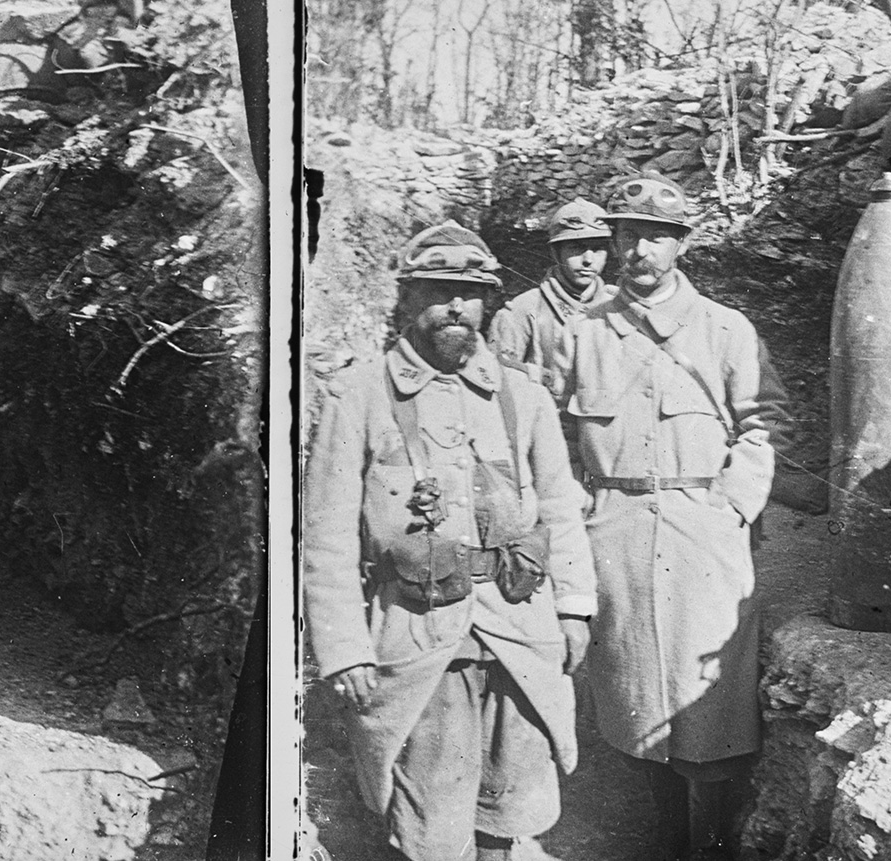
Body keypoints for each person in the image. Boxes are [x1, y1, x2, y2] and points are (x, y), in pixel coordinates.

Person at [303, 223, 597, 861]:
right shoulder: (359, 398)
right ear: (408, 301)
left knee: (512, 803)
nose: (455, 307)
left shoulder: (524, 397)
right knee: (431, 824)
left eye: (469, 293)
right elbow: (325, 537)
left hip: (519, 628)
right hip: (419, 638)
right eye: (437, 292)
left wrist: (574, 607)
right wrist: (344, 650)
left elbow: (560, 508)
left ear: (488, 302)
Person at [558, 174, 792, 860]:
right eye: (627, 235)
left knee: (709, 706)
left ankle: (714, 841)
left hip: (703, 534)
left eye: (656, 236)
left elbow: (766, 420)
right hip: (617, 531)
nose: (638, 250)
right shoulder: (584, 334)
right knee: (634, 698)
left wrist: (734, 503)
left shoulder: (726, 329)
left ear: (682, 245)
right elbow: (553, 436)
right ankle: (661, 836)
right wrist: (580, 508)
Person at [488, 197, 618, 404]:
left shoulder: (618, 306)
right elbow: (498, 381)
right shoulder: (522, 311)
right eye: (576, 248)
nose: (588, 259)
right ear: (555, 252)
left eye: (598, 248)